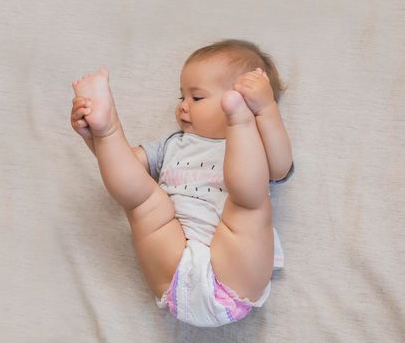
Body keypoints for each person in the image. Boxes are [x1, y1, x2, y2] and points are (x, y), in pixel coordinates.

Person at [70, 40, 293, 327]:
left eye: (196, 98)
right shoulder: (172, 144)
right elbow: (127, 167)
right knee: (143, 201)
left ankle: (240, 123)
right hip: (173, 269)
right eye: (181, 98)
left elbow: (280, 166)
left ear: (247, 102)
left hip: (234, 273)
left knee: (248, 202)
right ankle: (108, 128)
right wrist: (96, 137)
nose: (183, 108)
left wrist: (266, 111)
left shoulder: (258, 144)